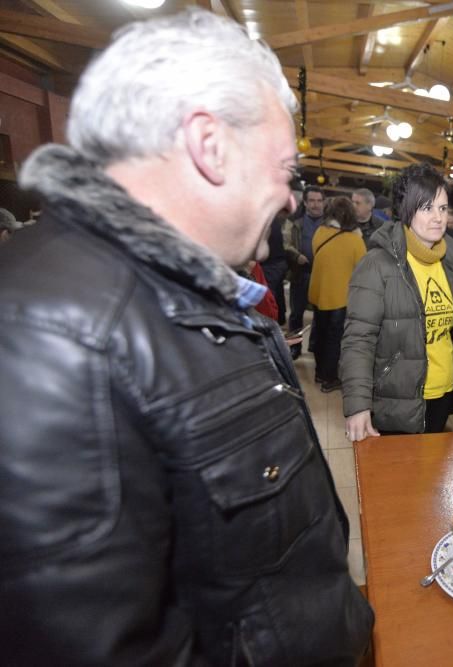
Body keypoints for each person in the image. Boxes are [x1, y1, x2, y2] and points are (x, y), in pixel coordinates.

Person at [0, 9, 372, 664]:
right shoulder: (58, 337)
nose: (291, 198)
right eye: (285, 169)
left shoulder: (184, 292)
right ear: (210, 145)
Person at [341, 163, 453, 438]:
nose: (438, 218)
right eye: (427, 208)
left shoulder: (448, 262)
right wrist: (357, 405)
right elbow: (358, 339)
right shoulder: (377, 265)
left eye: (443, 208)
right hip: (397, 399)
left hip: (442, 394)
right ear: (405, 211)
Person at [310, 196, 367, 393]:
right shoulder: (355, 241)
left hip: (318, 293)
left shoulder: (320, 232)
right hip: (340, 297)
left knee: (320, 334)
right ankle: (330, 378)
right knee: (335, 339)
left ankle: (319, 373)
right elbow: (363, 269)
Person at [283, 185, 325, 357]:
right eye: (312, 201)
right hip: (301, 272)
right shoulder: (294, 221)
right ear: (305, 203)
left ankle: (315, 347)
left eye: (319, 201)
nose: (316, 205)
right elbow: (286, 243)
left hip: (323, 275)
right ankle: (295, 347)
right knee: (296, 313)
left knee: (321, 315)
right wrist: (296, 255)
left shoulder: (331, 223)